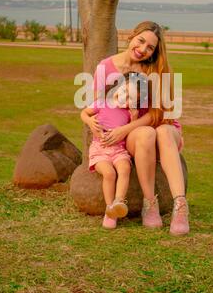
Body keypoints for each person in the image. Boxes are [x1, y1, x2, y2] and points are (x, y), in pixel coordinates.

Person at [92, 21, 189, 236]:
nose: (143, 49)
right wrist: (91, 122)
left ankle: (180, 206)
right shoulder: (105, 67)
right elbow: (98, 106)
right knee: (146, 133)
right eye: (141, 41)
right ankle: (150, 203)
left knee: (161, 130)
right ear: (132, 36)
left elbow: (159, 115)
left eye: (150, 47)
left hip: (163, 127)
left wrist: (125, 129)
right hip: (140, 134)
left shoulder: (155, 69)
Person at [81, 71, 148, 229]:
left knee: (124, 168)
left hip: (118, 149)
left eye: (130, 98)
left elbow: (131, 132)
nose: (124, 97)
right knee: (109, 174)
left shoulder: (128, 113)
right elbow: (83, 113)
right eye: (124, 91)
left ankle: (119, 201)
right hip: (100, 149)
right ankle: (109, 209)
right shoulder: (102, 103)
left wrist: (135, 117)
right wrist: (90, 121)